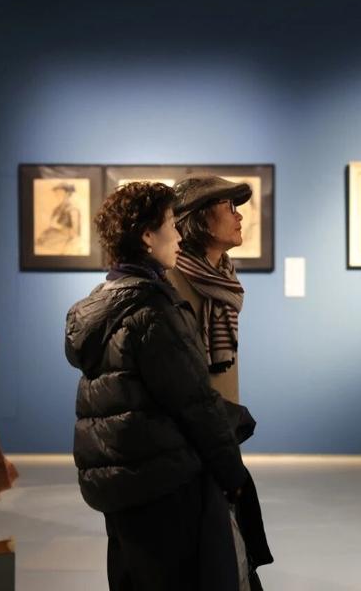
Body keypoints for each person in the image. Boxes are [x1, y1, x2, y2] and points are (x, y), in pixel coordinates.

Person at [66, 181, 258, 590]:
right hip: (161, 481)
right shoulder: (155, 309)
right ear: (147, 237)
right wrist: (233, 475)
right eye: (171, 225)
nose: (178, 236)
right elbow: (194, 403)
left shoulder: (102, 304)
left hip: (119, 479)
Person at [167, 175, 252, 405]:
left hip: (225, 414)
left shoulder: (224, 277)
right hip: (186, 417)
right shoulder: (168, 279)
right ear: (200, 218)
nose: (239, 215)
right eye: (229, 207)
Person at [35, 181, 82, 255]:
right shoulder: (56, 210)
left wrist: (58, 226)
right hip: (49, 241)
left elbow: (75, 234)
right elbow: (51, 227)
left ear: (67, 194)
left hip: (61, 244)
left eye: (60, 193)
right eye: (56, 193)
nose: (57, 195)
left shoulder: (73, 210)